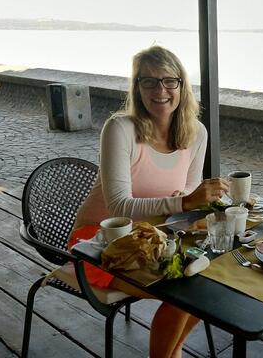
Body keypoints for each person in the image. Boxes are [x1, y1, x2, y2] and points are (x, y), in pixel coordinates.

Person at [69, 45, 229, 358]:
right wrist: (182, 203)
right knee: (184, 291)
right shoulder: (120, 129)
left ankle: (173, 352)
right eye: (149, 82)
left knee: (210, 277)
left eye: (170, 81)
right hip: (99, 244)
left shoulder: (197, 133)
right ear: (137, 87)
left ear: (182, 86)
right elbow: (119, 207)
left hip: (157, 237)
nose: (161, 90)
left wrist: (187, 199)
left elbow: (188, 190)